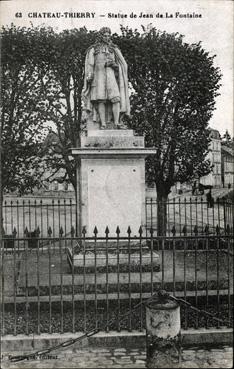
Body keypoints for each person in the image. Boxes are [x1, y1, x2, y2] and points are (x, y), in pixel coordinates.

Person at [82, 27, 130, 129]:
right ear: (100, 36)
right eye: (105, 35)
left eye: (108, 35)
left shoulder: (114, 48)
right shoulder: (93, 49)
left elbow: (122, 65)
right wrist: (89, 75)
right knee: (101, 100)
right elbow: (90, 64)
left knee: (116, 99)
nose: (107, 37)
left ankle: (116, 123)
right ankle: (103, 123)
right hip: (98, 77)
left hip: (111, 76)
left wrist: (113, 64)